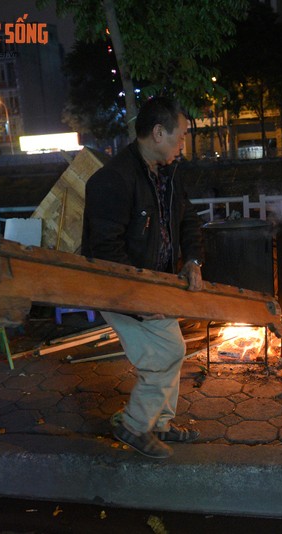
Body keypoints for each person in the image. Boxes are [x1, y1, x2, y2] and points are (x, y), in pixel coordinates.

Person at [80, 96, 204, 459]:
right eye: (180, 136)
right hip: (119, 292)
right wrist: (138, 303)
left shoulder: (166, 174)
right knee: (162, 355)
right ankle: (133, 425)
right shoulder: (113, 180)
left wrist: (193, 260)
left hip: (155, 286)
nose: (183, 144)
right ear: (157, 132)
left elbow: (189, 220)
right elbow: (105, 254)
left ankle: (160, 423)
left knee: (173, 350)